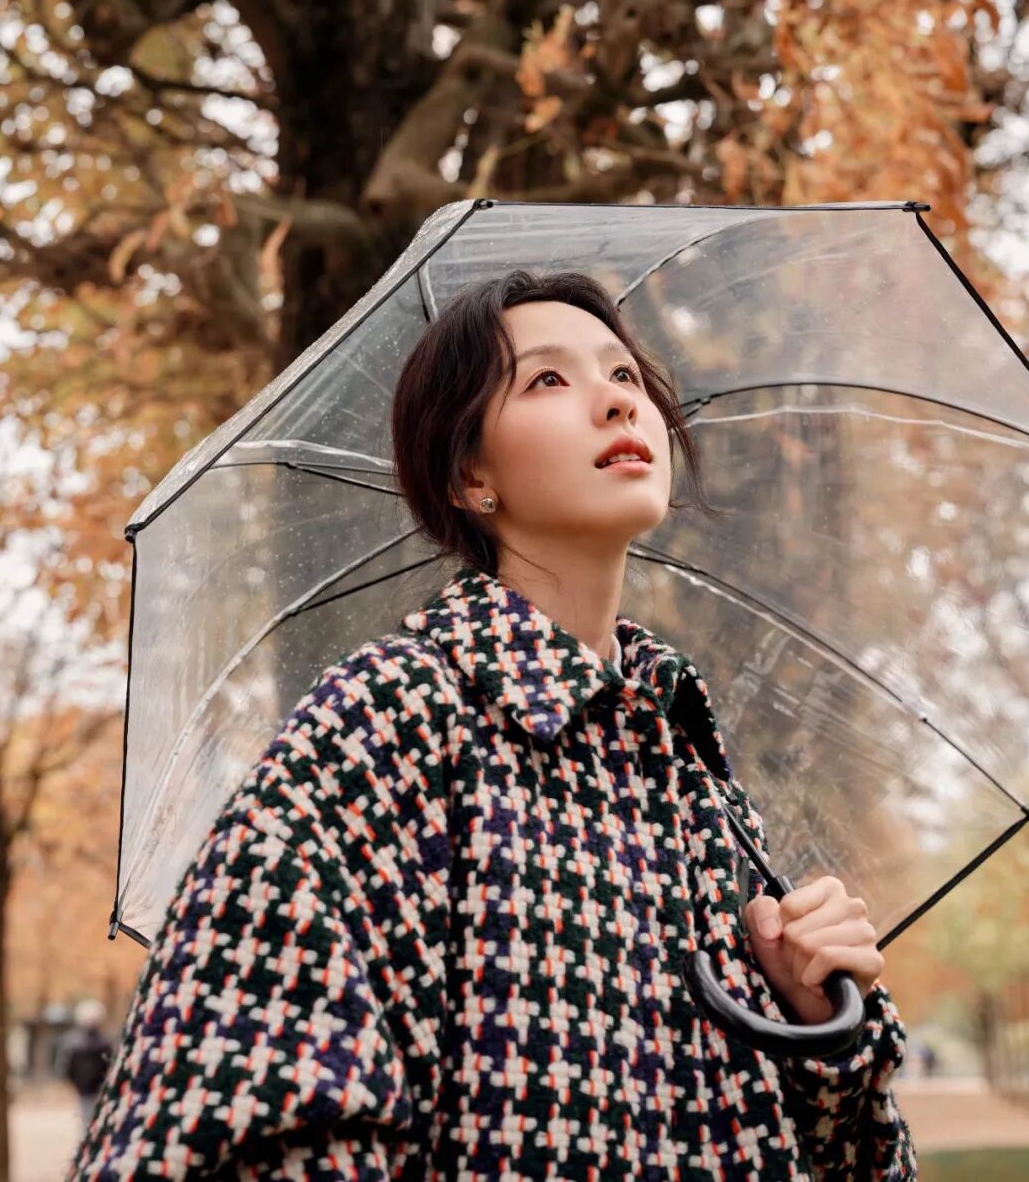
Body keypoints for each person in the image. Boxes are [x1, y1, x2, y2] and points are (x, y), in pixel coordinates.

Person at [70, 269, 916, 1179]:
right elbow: (235, 1110)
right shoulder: (388, 724)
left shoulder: (687, 768)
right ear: (470, 473)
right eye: (548, 378)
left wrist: (818, 1022)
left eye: (625, 374)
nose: (615, 401)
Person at [59, 1000, 112, 1135]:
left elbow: (68, 1067)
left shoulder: (76, 1043)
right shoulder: (102, 1043)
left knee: (88, 1119)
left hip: (89, 1087)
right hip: (90, 1087)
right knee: (91, 1119)